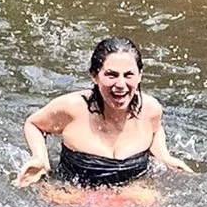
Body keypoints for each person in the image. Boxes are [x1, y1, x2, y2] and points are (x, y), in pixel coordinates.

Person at [15, 37, 191, 189]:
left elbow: (155, 128)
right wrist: (40, 159)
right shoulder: (72, 108)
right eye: (111, 75)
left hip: (132, 193)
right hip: (74, 194)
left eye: (128, 75)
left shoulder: (150, 109)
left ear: (140, 76)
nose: (121, 84)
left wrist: (164, 156)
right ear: (95, 76)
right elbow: (34, 124)